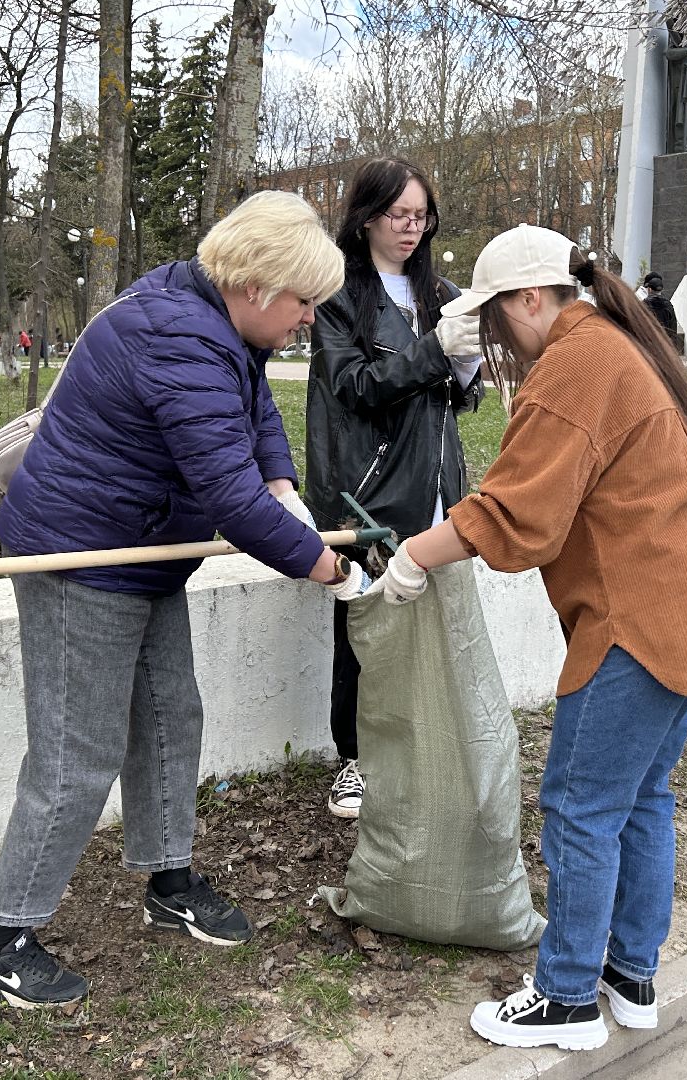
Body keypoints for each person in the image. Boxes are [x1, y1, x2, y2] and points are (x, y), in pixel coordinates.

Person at [0, 191, 360, 1010]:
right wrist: (330, 570)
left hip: (142, 554)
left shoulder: (206, 311)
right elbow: (228, 497)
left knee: (172, 715)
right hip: (82, 563)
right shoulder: (176, 333)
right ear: (256, 285)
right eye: (303, 303)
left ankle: (168, 882)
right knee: (77, 756)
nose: (308, 319)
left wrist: (283, 484)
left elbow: (250, 413)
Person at [369, 226, 687, 1051]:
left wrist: (414, 556)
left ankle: (568, 995)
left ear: (530, 299)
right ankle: (629, 976)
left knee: (579, 807)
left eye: (497, 320)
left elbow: (519, 511)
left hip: (638, 615)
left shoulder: (575, 364)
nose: (497, 339)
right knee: (639, 799)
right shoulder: (617, 345)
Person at [305, 157, 486, 819]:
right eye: (399, 215)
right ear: (367, 218)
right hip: (368, 492)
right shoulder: (338, 297)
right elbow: (355, 386)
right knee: (364, 627)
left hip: (437, 483)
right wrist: (439, 349)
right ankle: (352, 757)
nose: (412, 228)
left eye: (422, 216)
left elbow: (458, 400)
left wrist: (464, 365)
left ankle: (419, 746)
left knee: (431, 626)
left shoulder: (440, 291)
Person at [641, 272, 679, 343]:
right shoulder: (668, 305)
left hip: (650, 346)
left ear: (649, 289)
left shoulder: (644, 305)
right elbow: (673, 329)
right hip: (665, 346)